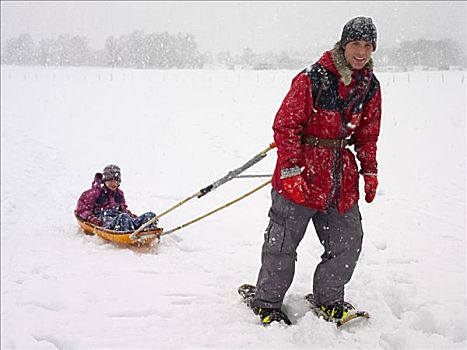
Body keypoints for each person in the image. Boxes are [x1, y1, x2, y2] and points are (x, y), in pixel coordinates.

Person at [250, 17, 381, 325]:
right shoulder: (315, 78)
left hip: (340, 178)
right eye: (355, 44)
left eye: (367, 46)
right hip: (302, 174)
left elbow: (368, 134)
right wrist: (292, 170)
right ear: (343, 44)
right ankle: (267, 302)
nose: (361, 52)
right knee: (282, 243)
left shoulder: (369, 86)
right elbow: (286, 125)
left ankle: (329, 298)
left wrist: (370, 171)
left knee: (349, 240)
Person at [76, 164, 158, 231]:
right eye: (110, 181)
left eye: (116, 181)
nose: (113, 184)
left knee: (150, 216)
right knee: (124, 218)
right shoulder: (94, 193)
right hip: (103, 219)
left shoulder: (119, 194)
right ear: (104, 181)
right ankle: (128, 232)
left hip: (118, 216)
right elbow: (82, 208)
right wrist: (91, 218)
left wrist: (130, 215)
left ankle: (146, 230)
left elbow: (122, 209)